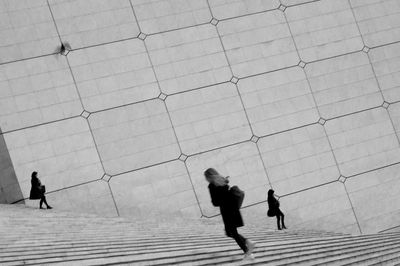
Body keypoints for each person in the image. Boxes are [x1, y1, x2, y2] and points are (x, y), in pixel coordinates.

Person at [204, 168, 255, 260]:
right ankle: (247, 243)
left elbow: (215, 202)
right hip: (233, 208)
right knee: (229, 232)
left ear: (209, 176)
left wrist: (218, 200)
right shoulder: (223, 181)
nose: (206, 179)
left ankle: (248, 251)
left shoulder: (212, 185)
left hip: (226, 211)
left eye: (206, 177)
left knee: (233, 233)